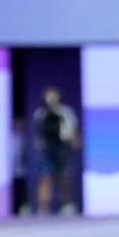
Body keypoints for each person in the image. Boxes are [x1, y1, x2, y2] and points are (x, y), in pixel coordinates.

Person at [32, 87, 79, 215]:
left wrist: (75, 141)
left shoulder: (66, 112)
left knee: (64, 176)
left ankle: (67, 204)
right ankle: (43, 206)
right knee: (45, 176)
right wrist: (40, 144)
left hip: (62, 147)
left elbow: (72, 129)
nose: (52, 98)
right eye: (49, 95)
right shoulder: (41, 113)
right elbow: (38, 132)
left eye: (54, 95)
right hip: (48, 149)